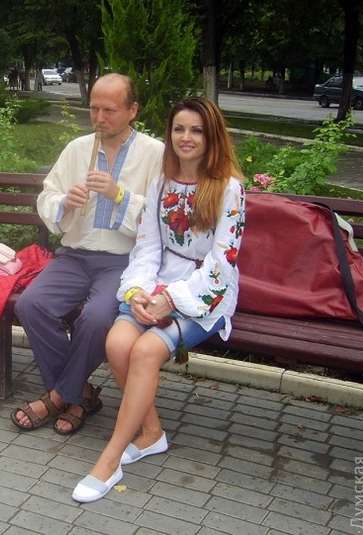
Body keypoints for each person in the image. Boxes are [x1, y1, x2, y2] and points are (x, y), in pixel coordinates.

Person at [71, 96, 245, 502]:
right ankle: (151, 433)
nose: (186, 137)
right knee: (117, 343)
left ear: (212, 136)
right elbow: (148, 247)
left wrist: (173, 299)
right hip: (156, 284)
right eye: (179, 129)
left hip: (204, 291)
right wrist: (136, 291)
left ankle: (110, 458)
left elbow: (223, 261)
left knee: (146, 351)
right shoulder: (161, 183)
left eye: (196, 130)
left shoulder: (228, 189)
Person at [11, 73, 165, 435]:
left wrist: (119, 195)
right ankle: (79, 394)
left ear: (132, 110)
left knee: (96, 319)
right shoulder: (77, 149)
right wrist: (64, 202)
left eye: (109, 110)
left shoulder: (154, 153)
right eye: (94, 109)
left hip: (123, 262)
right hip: (74, 256)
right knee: (31, 305)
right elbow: (47, 196)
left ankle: (58, 397)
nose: (99, 117)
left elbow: (162, 215)